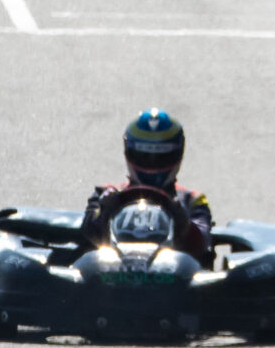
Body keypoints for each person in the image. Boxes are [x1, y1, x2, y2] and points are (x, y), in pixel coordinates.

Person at [81, 110, 213, 261]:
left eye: (161, 158)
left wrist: (181, 219)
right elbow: (88, 234)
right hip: (110, 266)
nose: (152, 164)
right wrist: (106, 210)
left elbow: (202, 242)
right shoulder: (105, 193)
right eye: (144, 157)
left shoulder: (192, 200)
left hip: (173, 269)